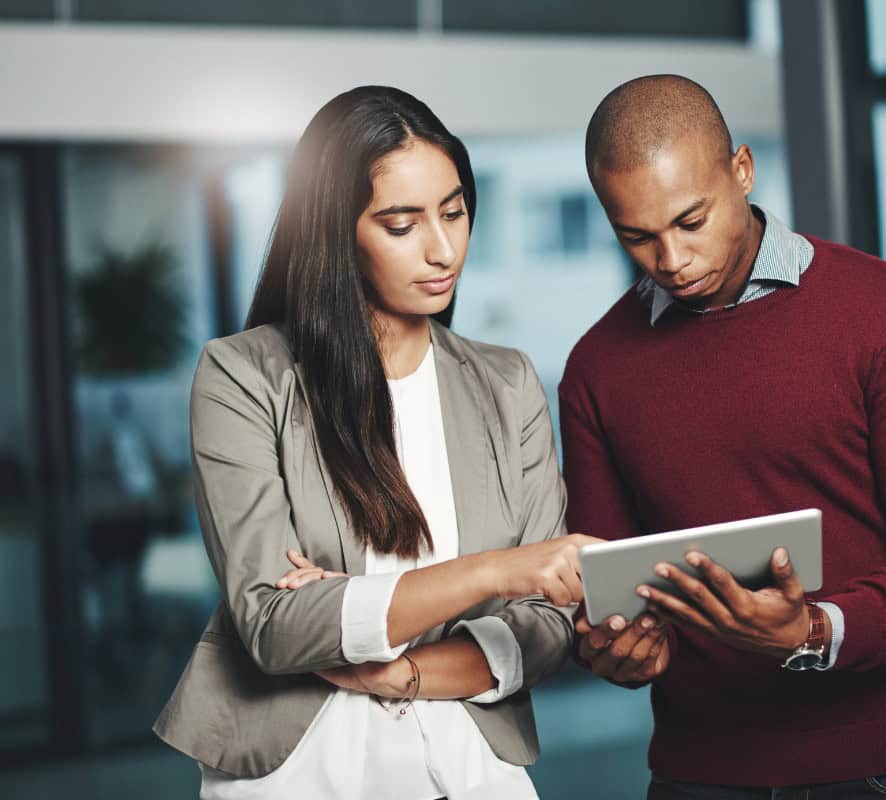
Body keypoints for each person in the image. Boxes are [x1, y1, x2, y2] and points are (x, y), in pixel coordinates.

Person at [561, 75, 886, 799]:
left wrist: (815, 633)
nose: (670, 260)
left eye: (691, 221)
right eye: (636, 236)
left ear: (742, 170)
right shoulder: (596, 368)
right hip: (697, 777)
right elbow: (607, 585)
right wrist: (615, 650)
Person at [153, 85, 597, 800]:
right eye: (401, 224)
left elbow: (547, 626)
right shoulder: (244, 377)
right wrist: (495, 572)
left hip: (472, 766)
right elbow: (274, 626)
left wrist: (399, 664)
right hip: (304, 769)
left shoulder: (507, 383)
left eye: (454, 211)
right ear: (336, 231)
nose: (442, 247)